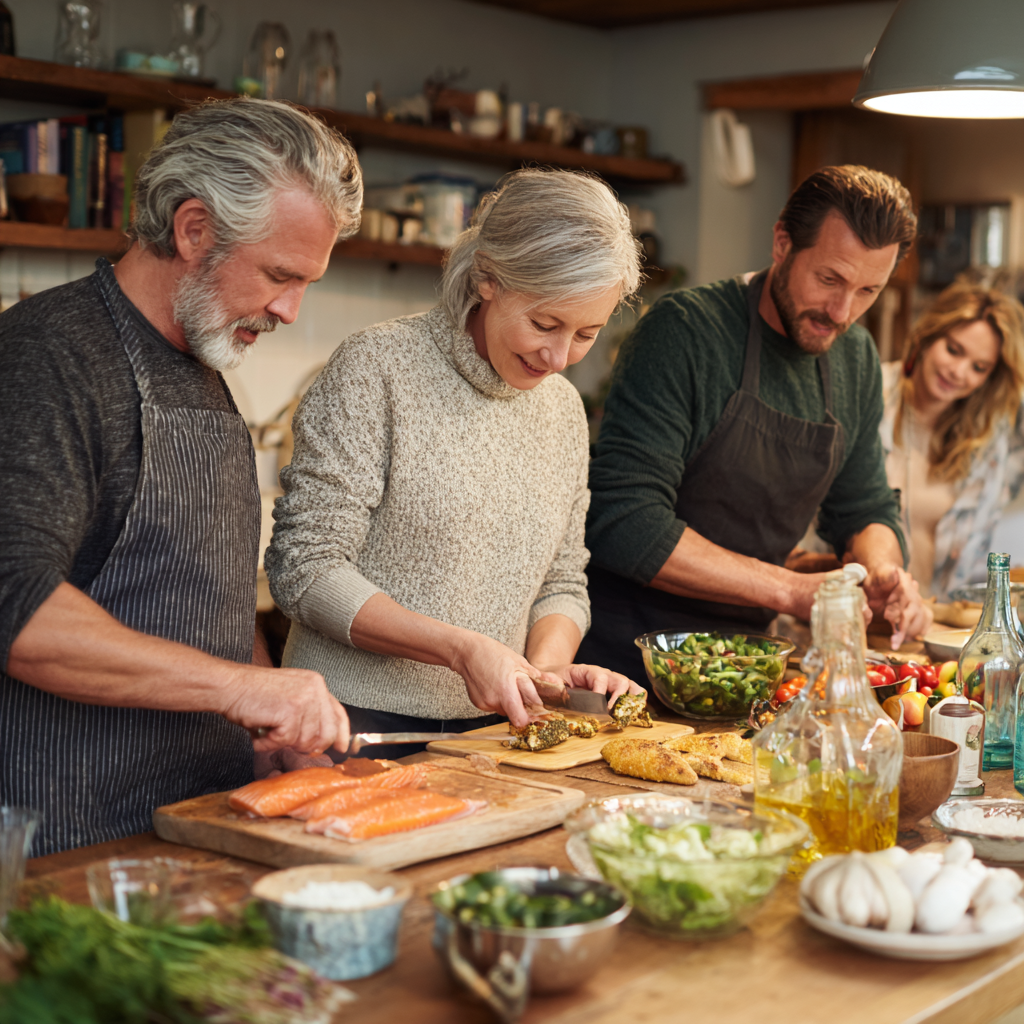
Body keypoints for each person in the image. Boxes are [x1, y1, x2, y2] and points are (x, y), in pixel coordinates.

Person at [0, 98, 360, 855]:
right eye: (279, 274)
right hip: (69, 843)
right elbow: (19, 611)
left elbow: (209, 601)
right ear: (193, 229)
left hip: (196, 822)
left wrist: (270, 728)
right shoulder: (47, 357)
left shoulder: (204, 361)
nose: (291, 310)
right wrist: (241, 689)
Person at [266, 169, 645, 755]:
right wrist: (461, 648)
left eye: (586, 333)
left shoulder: (563, 410)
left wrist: (542, 677)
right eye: (545, 324)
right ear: (488, 277)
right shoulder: (377, 369)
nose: (559, 357)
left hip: (496, 734)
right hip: (351, 726)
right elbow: (306, 569)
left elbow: (562, 581)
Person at [580, 164, 934, 682]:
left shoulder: (854, 356)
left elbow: (864, 504)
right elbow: (625, 519)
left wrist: (883, 570)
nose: (841, 311)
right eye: (829, 279)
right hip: (627, 659)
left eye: (867, 292)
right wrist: (789, 590)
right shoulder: (686, 332)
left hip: (748, 663)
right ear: (781, 243)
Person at [880, 279, 1024, 598]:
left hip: (941, 626)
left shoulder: (988, 439)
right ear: (928, 335)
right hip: (861, 617)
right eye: (953, 350)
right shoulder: (872, 396)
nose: (959, 372)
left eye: (979, 367)